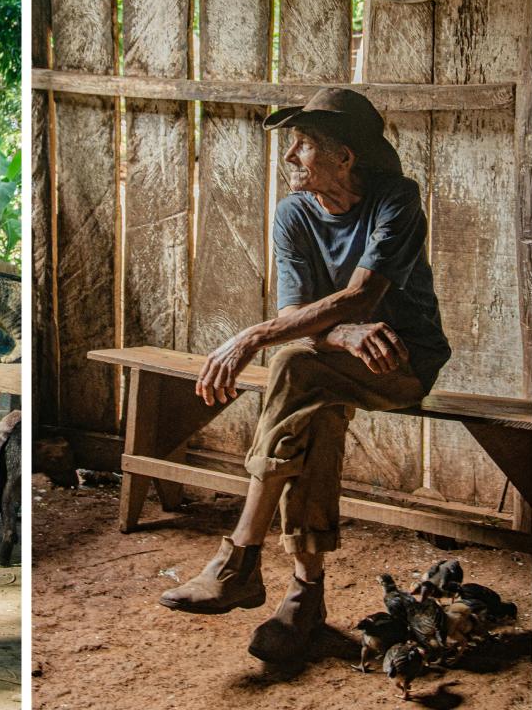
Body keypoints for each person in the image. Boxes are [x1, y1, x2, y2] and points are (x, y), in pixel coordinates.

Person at [159, 87, 451, 664]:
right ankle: (303, 597)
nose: (290, 157)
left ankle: (242, 558)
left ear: (345, 156)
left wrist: (251, 336)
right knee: (311, 411)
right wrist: (336, 333)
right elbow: (298, 317)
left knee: (293, 364)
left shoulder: (398, 199)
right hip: (329, 364)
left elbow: (365, 293)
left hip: (405, 362)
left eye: (303, 145)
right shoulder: (293, 214)